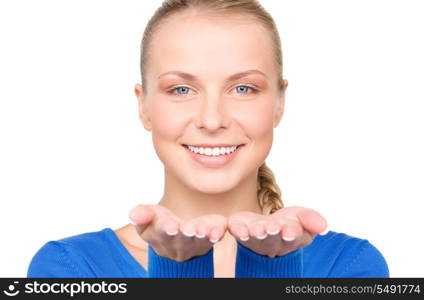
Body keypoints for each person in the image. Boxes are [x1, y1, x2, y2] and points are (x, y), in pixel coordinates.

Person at [27, 0, 389, 278]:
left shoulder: (348, 267)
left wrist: (271, 268)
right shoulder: (72, 269)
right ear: (144, 106)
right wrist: (178, 270)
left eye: (244, 88)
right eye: (181, 89)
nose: (212, 119)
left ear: (279, 104)